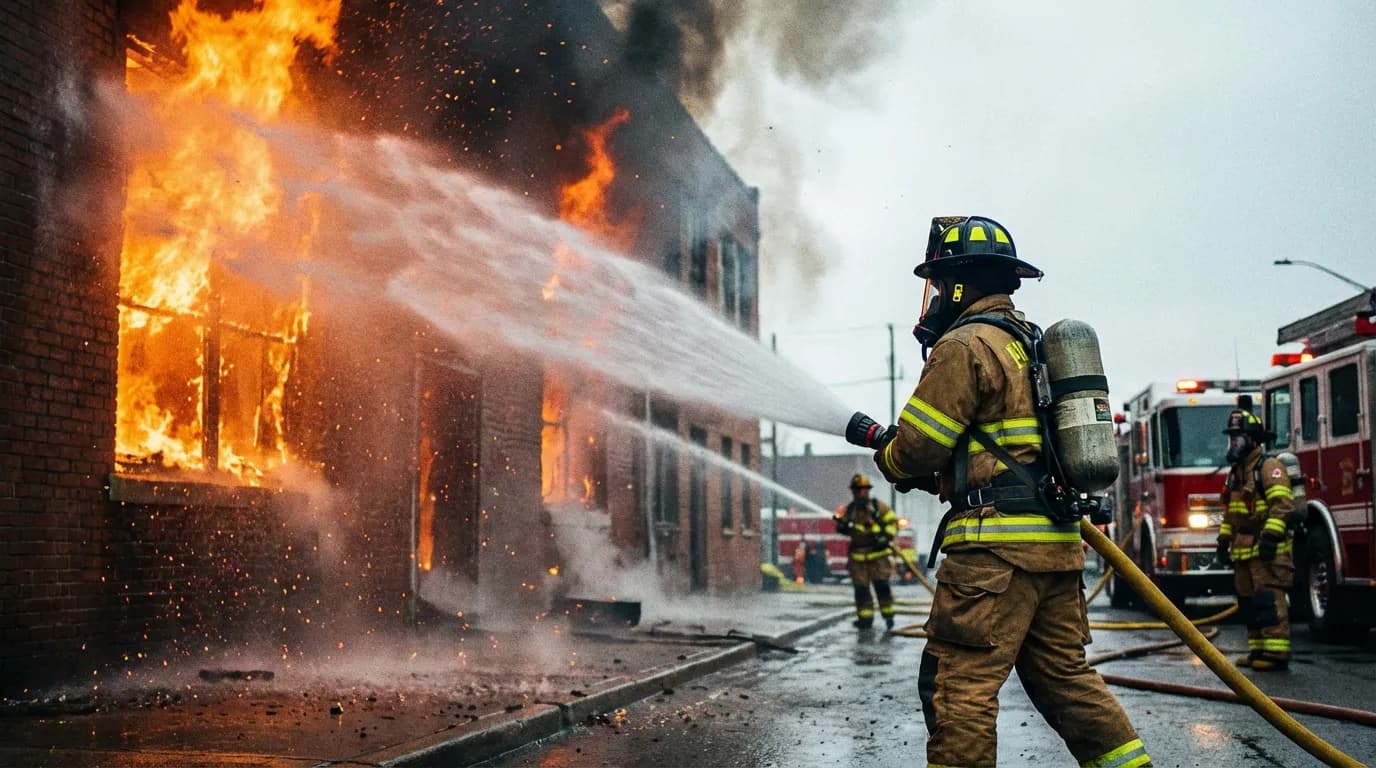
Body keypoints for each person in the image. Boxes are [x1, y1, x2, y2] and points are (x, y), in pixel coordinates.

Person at [870, 216, 1151, 768]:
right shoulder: (1031, 345)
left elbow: (917, 450)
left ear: (957, 284)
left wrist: (887, 450)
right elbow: (999, 451)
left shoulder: (965, 346)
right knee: (1067, 681)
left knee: (959, 689)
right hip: (1056, 549)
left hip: (993, 557)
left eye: (939, 284)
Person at [1216, 407, 1295, 670]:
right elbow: (1231, 514)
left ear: (1252, 440)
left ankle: (1276, 654)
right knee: (1249, 603)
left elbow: (1283, 504)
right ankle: (1258, 650)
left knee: (1268, 600)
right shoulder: (1236, 473)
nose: (1233, 443)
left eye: (1237, 438)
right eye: (1231, 438)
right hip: (1243, 552)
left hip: (1266, 549)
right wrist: (1223, 541)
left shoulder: (1269, 467)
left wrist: (1271, 537)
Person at [832, 472, 898, 629]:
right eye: (857, 490)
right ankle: (865, 619)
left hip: (878, 556)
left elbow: (892, 524)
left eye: (863, 490)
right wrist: (842, 525)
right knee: (861, 590)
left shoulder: (878, 507)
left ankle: (888, 616)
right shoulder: (850, 510)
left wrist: (884, 537)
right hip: (858, 558)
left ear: (868, 491)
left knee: (882, 587)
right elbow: (843, 528)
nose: (860, 493)